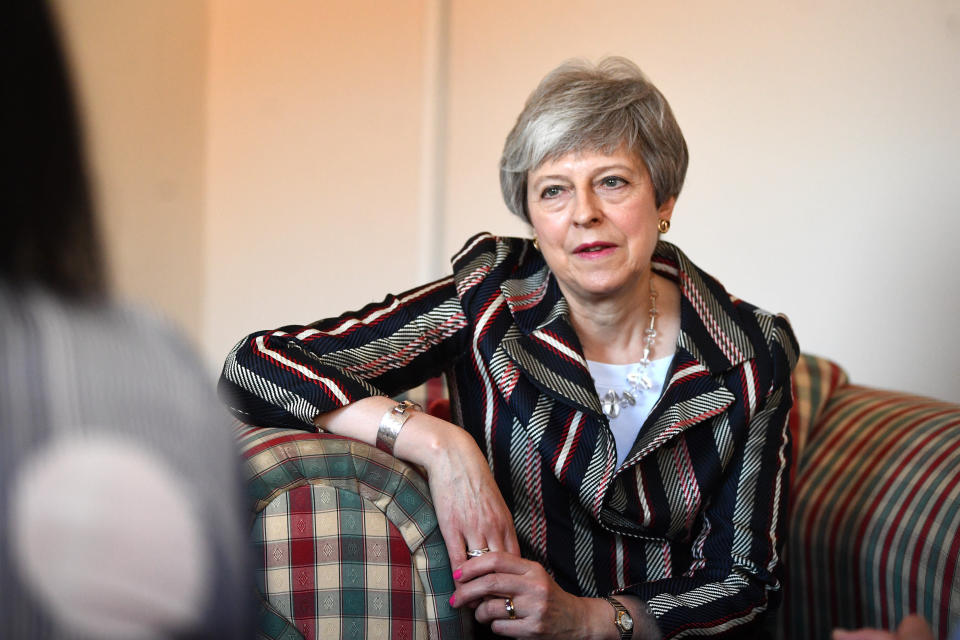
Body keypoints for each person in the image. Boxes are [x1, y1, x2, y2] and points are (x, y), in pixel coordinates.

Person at [219, 57, 798, 639]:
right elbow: (256, 364)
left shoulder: (750, 350)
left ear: (664, 199)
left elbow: (746, 578)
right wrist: (443, 445)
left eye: (613, 181)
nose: (584, 213)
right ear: (531, 217)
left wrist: (591, 620)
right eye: (554, 191)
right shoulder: (490, 299)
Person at [1, 3, 252, 637]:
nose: (550, 218)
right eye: (546, 190)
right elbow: (260, 362)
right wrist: (429, 438)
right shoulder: (479, 291)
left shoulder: (154, 360)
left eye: (555, 186)